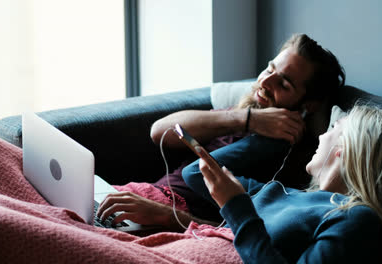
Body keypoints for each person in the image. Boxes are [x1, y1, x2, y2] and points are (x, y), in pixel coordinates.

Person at [98, 33, 347, 226]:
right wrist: (245, 119)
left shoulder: (292, 158)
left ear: (309, 104)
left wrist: (165, 216)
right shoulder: (240, 115)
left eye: (283, 83)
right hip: (138, 197)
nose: (264, 82)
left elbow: (247, 229)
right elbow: (160, 132)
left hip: (163, 216)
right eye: (270, 69)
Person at [183, 105, 382, 263]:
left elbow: (241, 221)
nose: (320, 135)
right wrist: (270, 136)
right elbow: (195, 172)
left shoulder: (356, 219)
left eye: (333, 128)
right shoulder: (281, 193)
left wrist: (236, 208)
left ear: (345, 148)